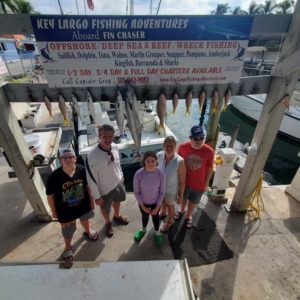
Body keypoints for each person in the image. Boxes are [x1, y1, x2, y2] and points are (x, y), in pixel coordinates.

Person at [46, 148, 98, 262]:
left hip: (83, 205)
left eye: (70, 157)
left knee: (85, 219)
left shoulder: (82, 170)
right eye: (65, 158)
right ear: (61, 160)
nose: (68, 159)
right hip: (65, 210)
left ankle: (88, 231)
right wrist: (54, 212)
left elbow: (88, 188)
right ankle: (68, 247)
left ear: (75, 159)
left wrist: (91, 202)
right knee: (68, 230)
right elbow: (50, 196)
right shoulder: (53, 177)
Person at [86, 124, 128, 238]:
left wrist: (122, 177)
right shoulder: (92, 155)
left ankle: (117, 216)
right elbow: (91, 178)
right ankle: (108, 223)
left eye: (110, 137)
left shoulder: (114, 146)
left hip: (117, 182)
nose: (108, 140)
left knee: (117, 201)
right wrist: (97, 196)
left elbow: (118, 164)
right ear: (99, 136)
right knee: (105, 208)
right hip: (104, 189)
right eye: (105, 137)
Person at [176, 125, 214, 229]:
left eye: (201, 137)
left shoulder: (210, 151)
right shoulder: (182, 147)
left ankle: (189, 215)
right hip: (184, 182)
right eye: (196, 138)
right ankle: (181, 210)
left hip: (199, 184)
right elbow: (177, 164)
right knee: (183, 198)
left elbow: (210, 168)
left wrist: (206, 184)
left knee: (193, 201)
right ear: (190, 138)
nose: (199, 140)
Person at [133, 151, 166, 246]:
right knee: (144, 216)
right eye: (148, 161)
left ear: (156, 161)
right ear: (144, 162)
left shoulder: (161, 174)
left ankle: (157, 231)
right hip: (143, 203)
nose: (150, 163)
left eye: (153, 160)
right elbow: (136, 192)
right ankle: (143, 229)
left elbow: (162, 192)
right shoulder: (138, 174)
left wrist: (157, 207)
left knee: (156, 217)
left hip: (156, 203)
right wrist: (142, 206)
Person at [157, 136, 186, 233]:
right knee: (162, 202)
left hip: (171, 190)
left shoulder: (180, 161)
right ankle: (163, 213)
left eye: (171, 146)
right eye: (167, 146)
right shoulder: (159, 155)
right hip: (160, 188)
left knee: (170, 205)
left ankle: (170, 221)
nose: (169, 148)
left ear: (175, 146)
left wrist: (181, 196)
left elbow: (182, 182)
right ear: (163, 146)